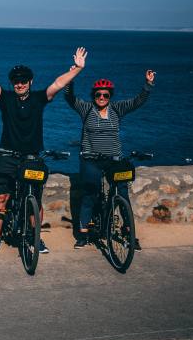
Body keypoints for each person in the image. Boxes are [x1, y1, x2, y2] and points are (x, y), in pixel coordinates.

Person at [0, 41, 88, 255]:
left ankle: (36, 238)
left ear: (30, 81)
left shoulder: (39, 98)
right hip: (7, 155)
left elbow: (57, 83)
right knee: (1, 197)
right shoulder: (5, 98)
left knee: (35, 198)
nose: (20, 84)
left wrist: (78, 69)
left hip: (33, 157)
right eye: (16, 81)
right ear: (12, 83)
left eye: (24, 81)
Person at [65, 70, 155, 250]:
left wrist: (148, 84)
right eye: (98, 94)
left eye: (105, 94)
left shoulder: (116, 109)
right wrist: (71, 78)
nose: (101, 97)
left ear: (110, 96)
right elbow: (70, 98)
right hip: (91, 160)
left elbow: (137, 102)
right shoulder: (87, 109)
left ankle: (129, 234)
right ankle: (83, 234)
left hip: (114, 160)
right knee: (90, 194)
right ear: (94, 95)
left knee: (122, 193)